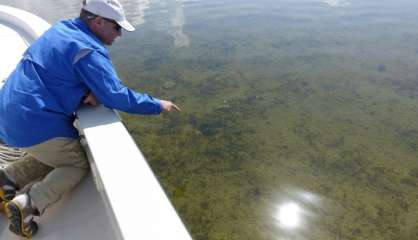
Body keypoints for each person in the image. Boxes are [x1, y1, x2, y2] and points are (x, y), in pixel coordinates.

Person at [0, 0, 181, 237]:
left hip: (7, 113)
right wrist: (158, 105)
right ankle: (28, 205)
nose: (119, 35)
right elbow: (116, 96)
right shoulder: (89, 51)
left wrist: (84, 89)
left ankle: (7, 177)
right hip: (32, 123)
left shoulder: (62, 28)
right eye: (117, 28)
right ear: (98, 21)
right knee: (76, 162)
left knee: (60, 150)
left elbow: (57, 71)